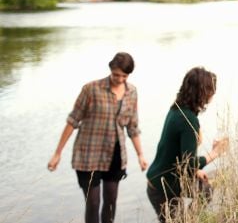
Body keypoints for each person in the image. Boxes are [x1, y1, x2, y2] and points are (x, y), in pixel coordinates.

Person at [47, 52, 148, 223]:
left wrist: (140, 155)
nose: (119, 79)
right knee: (93, 202)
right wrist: (57, 153)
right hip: (88, 155)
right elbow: (72, 120)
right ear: (110, 69)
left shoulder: (132, 92)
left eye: (124, 76)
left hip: (115, 155)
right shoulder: (91, 89)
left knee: (111, 201)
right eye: (116, 74)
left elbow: (132, 126)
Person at [146, 67, 228, 223]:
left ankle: (188, 219)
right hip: (163, 188)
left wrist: (196, 171)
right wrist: (216, 153)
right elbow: (188, 164)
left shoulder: (177, 109)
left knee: (205, 191)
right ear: (203, 92)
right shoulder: (188, 119)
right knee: (204, 192)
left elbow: (179, 153)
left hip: (161, 181)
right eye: (211, 90)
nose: (213, 94)